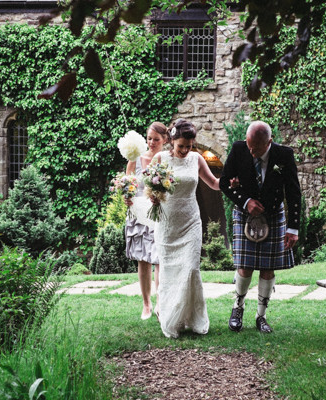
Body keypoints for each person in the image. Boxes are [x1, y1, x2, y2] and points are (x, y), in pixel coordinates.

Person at [219, 120, 302, 333]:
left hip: (273, 215)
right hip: (245, 213)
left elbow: (293, 192)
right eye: (249, 145)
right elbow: (224, 182)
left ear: (269, 142)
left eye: (255, 148)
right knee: (244, 266)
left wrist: (293, 228)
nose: (251, 151)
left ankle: (261, 316)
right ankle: (237, 308)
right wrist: (245, 201)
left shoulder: (284, 155)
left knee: (267, 268)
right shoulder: (239, 149)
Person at [150, 119, 221, 338]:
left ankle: (194, 318)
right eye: (181, 146)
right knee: (170, 271)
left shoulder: (197, 159)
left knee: (191, 269)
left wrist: (232, 182)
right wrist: (153, 195)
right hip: (167, 225)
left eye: (189, 146)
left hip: (191, 222)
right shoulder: (160, 159)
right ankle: (172, 316)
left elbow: (214, 183)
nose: (185, 150)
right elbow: (150, 188)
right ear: (171, 141)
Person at [124, 122, 169, 320]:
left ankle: (160, 302)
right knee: (143, 260)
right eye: (149, 138)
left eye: (156, 139)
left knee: (159, 258)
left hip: (158, 213)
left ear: (165, 140)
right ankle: (146, 304)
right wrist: (127, 194)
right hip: (139, 214)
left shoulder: (166, 159)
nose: (151, 143)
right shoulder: (137, 157)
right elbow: (128, 180)